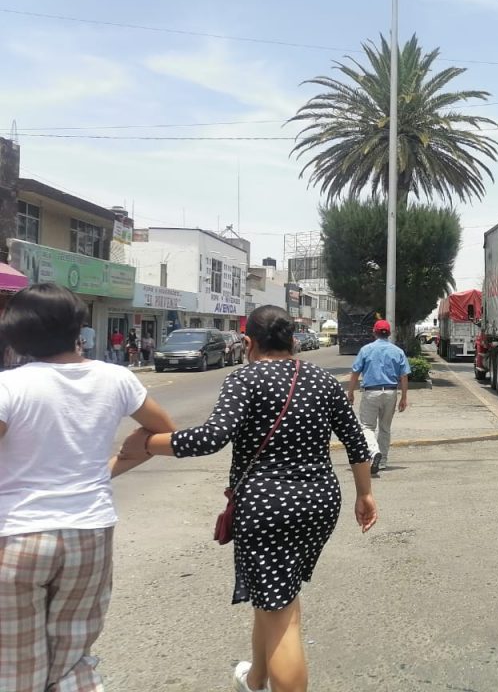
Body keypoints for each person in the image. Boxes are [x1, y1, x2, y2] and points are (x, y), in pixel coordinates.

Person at [118, 305, 377, 692]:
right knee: (278, 597)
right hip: (320, 502)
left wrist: (149, 443)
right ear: (292, 340)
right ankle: (256, 679)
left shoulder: (245, 378)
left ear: (249, 342)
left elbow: (211, 438)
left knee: (282, 616)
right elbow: (357, 442)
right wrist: (365, 494)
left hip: (267, 507)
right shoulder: (324, 381)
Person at [0, 284, 176, 691]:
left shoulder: (9, 386)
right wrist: (108, 468)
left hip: (15, 536)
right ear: (77, 327)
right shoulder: (115, 378)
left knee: (14, 666)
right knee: (72, 659)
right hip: (89, 533)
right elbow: (164, 433)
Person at [346, 319, 410, 476]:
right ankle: (382, 461)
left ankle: (374, 452)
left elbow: (355, 372)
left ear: (374, 332)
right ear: (389, 333)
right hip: (390, 392)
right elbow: (404, 376)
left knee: (367, 426)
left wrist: (351, 392)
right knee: (385, 428)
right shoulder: (397, 351)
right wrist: (404, 398)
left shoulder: (366, 350)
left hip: (371, 392)